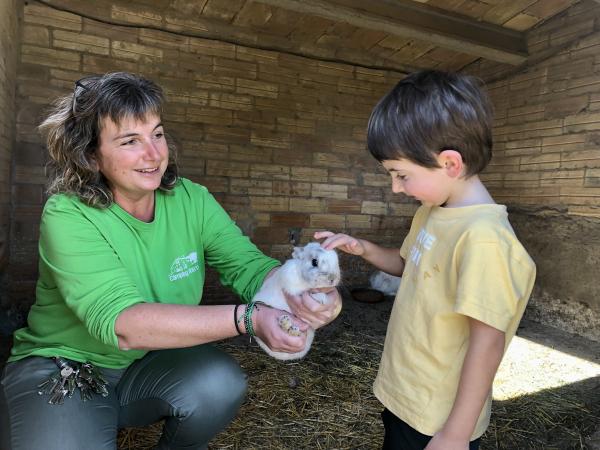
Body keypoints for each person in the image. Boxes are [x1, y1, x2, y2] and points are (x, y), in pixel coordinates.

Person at [0, 72, 341, 450]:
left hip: (148, 364)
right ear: (91, 155)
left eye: (157, 134)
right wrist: (249, 318)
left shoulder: (190, 199)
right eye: (130, 141)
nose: (154, 154)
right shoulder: (67, 213)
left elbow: (250, 269)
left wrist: (312, 293)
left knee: (218, 383)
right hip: (67, 365)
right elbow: (121, 324)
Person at [316, 70, 536, 450]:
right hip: (406, 394)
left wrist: (455, 434)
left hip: (438, 418)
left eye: (401, 175)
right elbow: (410, 266)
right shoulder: (433, 211)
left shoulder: (483, 239)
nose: (395, 187)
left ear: (450, 163)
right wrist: (363, 248)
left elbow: (487, 342)